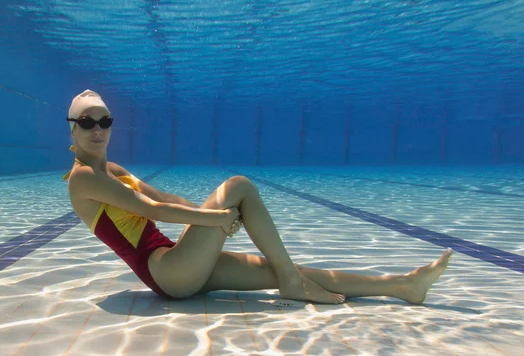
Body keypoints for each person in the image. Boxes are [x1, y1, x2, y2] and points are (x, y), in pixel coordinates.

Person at [63, 89, 452, 304]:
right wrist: (215, 220)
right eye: (87, 122)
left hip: (178, 264)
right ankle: (292, 285)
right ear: (73, 128)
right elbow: (152, 210)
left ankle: (403, 285)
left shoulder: (111, 171)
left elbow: (164, 195)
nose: (97, 129)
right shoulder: (82, 180)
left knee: (279, 268)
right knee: (238, 186)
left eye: (105, 121)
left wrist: (205, 221)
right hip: (167, 273)